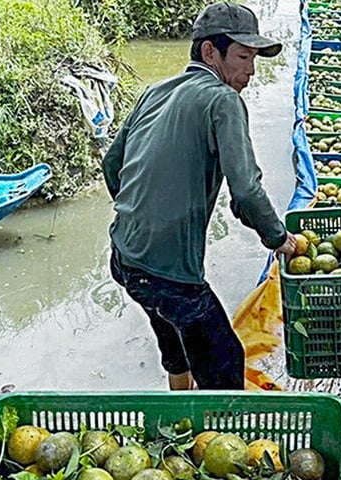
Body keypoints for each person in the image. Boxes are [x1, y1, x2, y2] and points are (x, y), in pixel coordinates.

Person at [103, 2, 297, 391]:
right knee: (225, 361)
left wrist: (145, 213)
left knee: (175, 343)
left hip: (124, 257)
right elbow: (245, 189)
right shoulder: (223, 101)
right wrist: (278, 237)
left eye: (254, 59)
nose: (251, 71)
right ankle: (217, 441)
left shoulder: (153, 92)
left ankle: (178, 425)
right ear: (211, 52)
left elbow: (112, 166)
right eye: (243, 57)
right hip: (170, 274)